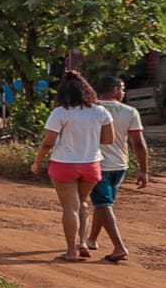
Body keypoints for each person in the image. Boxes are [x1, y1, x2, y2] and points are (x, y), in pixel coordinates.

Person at [29, 70, 114, 262]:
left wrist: (37, 163)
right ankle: (82, 242)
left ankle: (71, 251)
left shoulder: (60, 112)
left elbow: (48, 143)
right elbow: (109, 139)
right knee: (83, 202)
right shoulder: (100, 111)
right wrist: (89, 139)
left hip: (64, 164)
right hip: (91, 164)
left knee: (70, 208)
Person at [83, 76, 149, 263]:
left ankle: (119, 247)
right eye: (122, 89)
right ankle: (92, 239)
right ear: (114, 90)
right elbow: (139, 143)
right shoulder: (130, 112)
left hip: (97, 164)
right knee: (104, 204)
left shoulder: (90, 109)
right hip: (120, 166)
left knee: (103, 204)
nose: (123, 92)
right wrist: (144, 170)